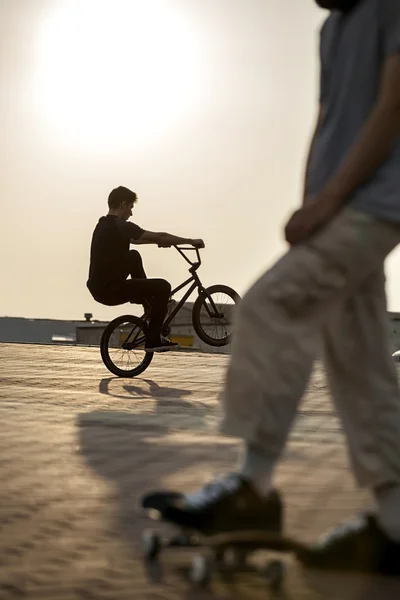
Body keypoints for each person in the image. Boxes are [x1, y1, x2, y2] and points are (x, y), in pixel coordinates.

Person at [144, 0, 400, 573]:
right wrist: (313, 200)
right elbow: (332, 120)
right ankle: (396, 521)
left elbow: (394, 103)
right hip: (340, 209)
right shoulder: (334, 27)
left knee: (267, 307)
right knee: (359, 362)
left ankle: (252, 488)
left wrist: (330, 201)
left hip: (374, 203)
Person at [87, 186, 204, 352]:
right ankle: (153, 339)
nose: (131, 213)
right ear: (123, 204)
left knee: (134, 256)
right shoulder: (121, 226)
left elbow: (143, 240)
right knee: (163, 286)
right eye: (130, 208)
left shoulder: (104, 225)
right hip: (111, 289)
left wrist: (162, 241)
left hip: (100, 287)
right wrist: (190, 241)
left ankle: (149, 306)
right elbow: (159, 236)